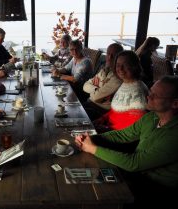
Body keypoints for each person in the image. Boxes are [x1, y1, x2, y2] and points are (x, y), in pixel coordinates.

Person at [75, 75, 178, 209]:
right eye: (150, 91)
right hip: (138, 173)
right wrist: (92, 138)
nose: (148, 96)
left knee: (95, 191)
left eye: (155, 95)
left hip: (157, 189)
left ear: (175, 103)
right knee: (86, 174)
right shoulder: (152, 117)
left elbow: (134, 163)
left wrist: (92, 148)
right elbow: (123, 135)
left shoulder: (174, 135)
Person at [93, 50, 148, 131]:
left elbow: (133, 126)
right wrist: (102, 119)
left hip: (118, 135)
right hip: (109, 127)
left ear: (135, 66)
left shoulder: (138, 91)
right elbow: (115, 110)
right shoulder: (126, 83)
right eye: (118, 65)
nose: (120, 69)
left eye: (125, 65)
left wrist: (107, 128)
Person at [83, 43, 124, 120]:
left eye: (113, 55)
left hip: (101, 111)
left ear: (119, 57)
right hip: (90, 104)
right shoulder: (104, 71)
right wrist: (96, 89)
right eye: (108, 53)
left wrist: (95, 91)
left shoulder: (118, 77)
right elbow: (85, 85)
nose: (109, 57)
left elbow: (95, 97)